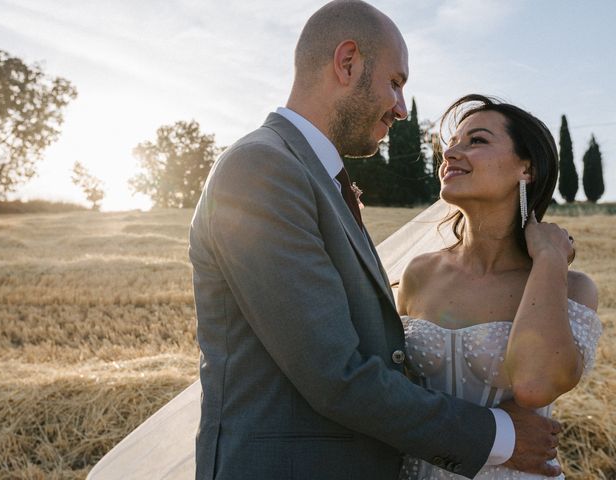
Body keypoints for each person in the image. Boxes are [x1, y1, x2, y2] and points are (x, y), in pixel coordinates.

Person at [86, 2, 567, 479]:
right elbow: (334, 373)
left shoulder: (312, 176)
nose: (401, 109)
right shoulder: (262, 169)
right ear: (348, 62)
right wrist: (499, 437)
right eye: (396, 83)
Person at [392, 95, 602, 479]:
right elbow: (390, 393)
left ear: (527, 169)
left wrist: (549, 261)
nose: (451, 153)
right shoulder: (419, 274)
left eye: (477, 141)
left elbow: (535, 386)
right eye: (452, 143)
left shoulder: (572, 288)